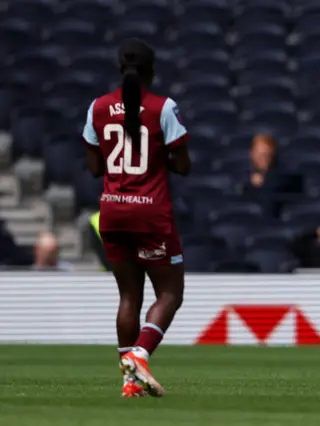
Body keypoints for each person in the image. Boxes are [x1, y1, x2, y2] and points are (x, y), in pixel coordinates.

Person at [82, 38, 191, 398]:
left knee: (129, 296)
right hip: (150, 213)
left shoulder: (97, 107)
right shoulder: (164, 107)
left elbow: (95, 167)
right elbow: (184, 165)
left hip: (112, 210)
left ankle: (129, 382)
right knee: (170, 293)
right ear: (152, 71)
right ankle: (139, 356)